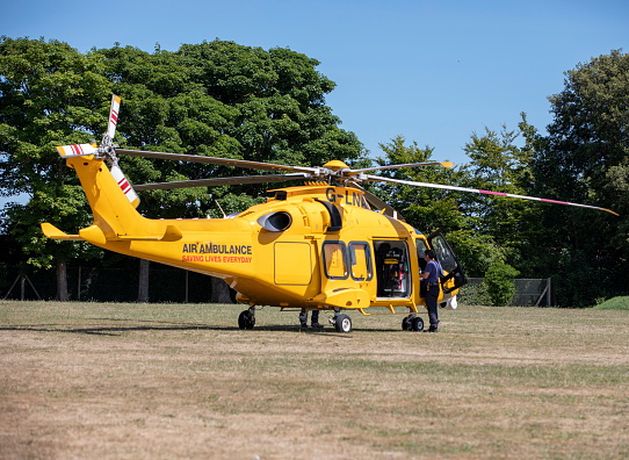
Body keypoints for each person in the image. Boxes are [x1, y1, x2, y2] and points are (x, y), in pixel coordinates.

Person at [421, 249, 442, 332]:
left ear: (428, 256)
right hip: (436, 287)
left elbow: (426, 276)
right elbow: (441, 274)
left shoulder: (429, 264)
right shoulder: (437, 263)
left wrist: (420, 274)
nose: (424, 257)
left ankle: (433, 324)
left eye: (425, 255)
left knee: (430, 306)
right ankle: (435, 323)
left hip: (430, 287)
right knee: (434, 306)